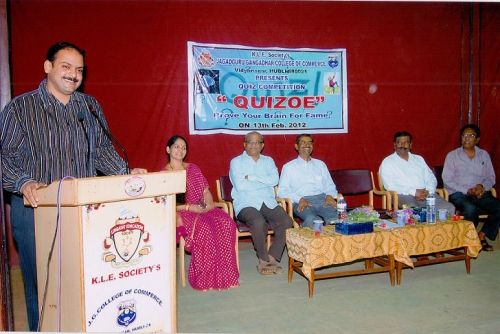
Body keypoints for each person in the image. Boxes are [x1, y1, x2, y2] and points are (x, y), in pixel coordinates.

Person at [0, 41, 147, 331]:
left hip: (83, 211)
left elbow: (103, 150)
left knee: (83, 281)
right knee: (42, 287)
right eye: (66, 67)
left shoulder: (89, 107)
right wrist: (24, 181)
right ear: (48, 67)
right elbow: (5, 158)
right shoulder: (21, 108)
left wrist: (127, 174)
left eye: (79, 70)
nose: (73, 74)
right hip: (35, 211)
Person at [163, 135, 239, 290]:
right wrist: (190, 208)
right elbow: (167, 204)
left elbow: (205, 191)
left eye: (184, 147)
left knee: (226, 223)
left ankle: (226, 276)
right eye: (177, 146)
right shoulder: (163, 174)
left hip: (203, 208)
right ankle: (205, 279)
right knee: (205, 229)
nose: (180, 150)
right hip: (183, 212)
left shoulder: (193, 168)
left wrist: (209, 204)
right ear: (168, 149)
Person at [229, 131, 293, 275]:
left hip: (267, 201)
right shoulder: (236, 162)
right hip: (246, 202)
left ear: (262, 145)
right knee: (258, 222)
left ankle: (272, 256)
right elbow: (241, 186)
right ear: (244, 144)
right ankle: (263, 260)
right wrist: (263, 181)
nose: (253, 145)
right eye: (250, 142)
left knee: (286, 221)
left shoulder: (268, 161)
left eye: (257, 142)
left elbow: (274, 180)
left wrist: (251, 177)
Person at [442, 124, 500, 251]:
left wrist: (482, 186)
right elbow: (447, 179)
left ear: (477, 140)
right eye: (464, 135)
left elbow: (491, 177)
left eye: (471, 135)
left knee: (498, 207)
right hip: (458, 193)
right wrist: (467, 190)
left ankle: (481, 235)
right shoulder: (452, 156)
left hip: (479, 192)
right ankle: (468, 239)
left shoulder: (484, 155)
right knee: (470, 208)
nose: (467, 138)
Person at [379, 131, 454, 212]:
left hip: (426, 194)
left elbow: (431, 178)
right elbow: (390, 185)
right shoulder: (388, 162)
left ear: (411, 145)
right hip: (403, 195)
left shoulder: (419, 159)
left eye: (406, 142)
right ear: (394, 145)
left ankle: (437, 225)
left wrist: (428, 191)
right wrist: (414, 192)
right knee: (415, 211)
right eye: (399, 142)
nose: (403, 145)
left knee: (449, 208)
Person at [278, 134, 338, 228]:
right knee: (312, 220)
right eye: (303, 142)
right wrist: (299, 199)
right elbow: (282, 191)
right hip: (301, 201)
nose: (307, 145)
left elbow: (329, 185)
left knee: (335, 219)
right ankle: (303, 237)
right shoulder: (288, 167)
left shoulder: (320, 164)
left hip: (322, 199)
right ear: (296, 146)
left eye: (310, 142)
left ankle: (330, 242)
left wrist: (330, 195)